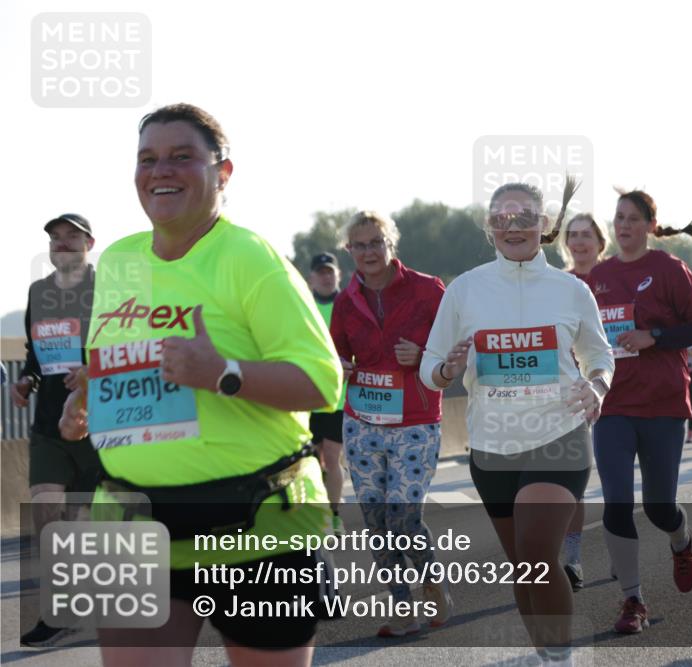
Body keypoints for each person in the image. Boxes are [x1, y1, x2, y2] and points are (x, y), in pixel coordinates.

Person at [58, 104, 342, 665]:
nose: (160, 170)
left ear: (224, 173)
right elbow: (119, 364)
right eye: (148, 159)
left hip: (259, 528)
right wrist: (84, 399)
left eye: (181, 157)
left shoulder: (251, 258)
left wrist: (222, 374)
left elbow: (322, 382)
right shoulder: (117, 262)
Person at [421, 179, 614, 664]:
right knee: (524, 569)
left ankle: (562, 658)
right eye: (502, 218)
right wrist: (447, 368)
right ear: (489, 226)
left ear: (544, 225)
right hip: (492, 446)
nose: (514, 227)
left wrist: (597, 386)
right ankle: (546, 656)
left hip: (559, 434)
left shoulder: (570, 290)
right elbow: (430, 367)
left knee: (537, 552)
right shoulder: (465, 289)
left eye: (525, 217)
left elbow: (599, 354)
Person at [587, 188, 692, 634]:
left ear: (649, 226)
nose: (623, 225)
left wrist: (653, 337)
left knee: (660, 506)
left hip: (663, 404)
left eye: (632, 219)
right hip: (612, 404)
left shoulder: (668, 269)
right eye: (618, 218)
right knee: (616, 503)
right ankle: (632, 600)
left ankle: (681, 541)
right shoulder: (595, 278)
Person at [330, 210, 452, 638]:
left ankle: (432, 583)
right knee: (376, 519)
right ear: (349, 251)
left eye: (375, 242)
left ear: (390, 244)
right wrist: (340, 367)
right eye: (359, 245)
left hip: (415, 420)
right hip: (362, 420)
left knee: (403, 514)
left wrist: (422, 354)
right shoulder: (346, 302)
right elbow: (336, 356)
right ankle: (402, 606)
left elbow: (454, 348)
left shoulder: (427, 290)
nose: (368, 252)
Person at [15, 213, 103, 648]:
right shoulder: (39, 291)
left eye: (71, 236)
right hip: (49, 422)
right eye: (55, 237)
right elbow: (36, 351)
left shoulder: (108, 289)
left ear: (89, 242)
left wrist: (93, 370)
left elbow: (129, 341)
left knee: (85, 522)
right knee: (46, 512)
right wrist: (26, 381)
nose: (62, 243)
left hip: (100, 422)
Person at [559, 212, 609, 593]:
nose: (578, 242)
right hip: (576, 396)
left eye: (585, 235)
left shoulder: (619, 278)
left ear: (600, 241)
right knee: (574, 484)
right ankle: (572, 558)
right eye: (572, 235)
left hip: (627, 391)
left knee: (618, 484)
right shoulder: (556, 285)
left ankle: (622, 548)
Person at [308, 252, 348, 536]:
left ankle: (333, 515)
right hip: (308, 395)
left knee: (332, 457)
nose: (325, 276)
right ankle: (317, 511)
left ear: (338, 274)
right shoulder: (302, 305)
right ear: (311, 277)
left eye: (329, 272)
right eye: (320, 272)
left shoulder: (348, 304)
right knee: (312, 459)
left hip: (339, 396)